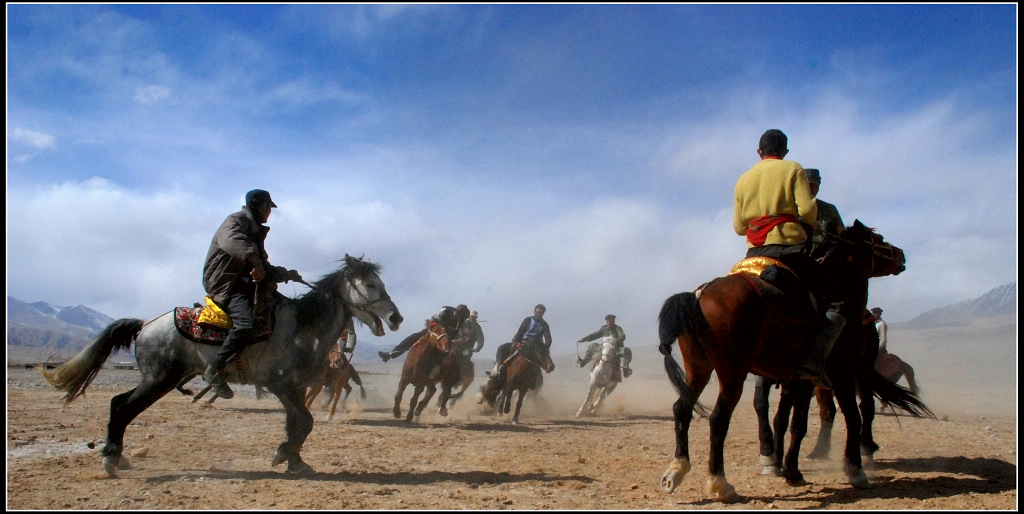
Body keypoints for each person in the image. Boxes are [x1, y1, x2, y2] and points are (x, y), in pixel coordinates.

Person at [732, 129, 845, 390]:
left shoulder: (743, 180)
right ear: (784, 152)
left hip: (753, 254)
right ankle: (813, 362)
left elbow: (739, 226)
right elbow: (806, 209)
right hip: (788, 251)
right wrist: (809, 222)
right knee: (836, 299)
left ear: (758, 151)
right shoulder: (793, 169)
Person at [202, 189, 303, 400]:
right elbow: (232, 241)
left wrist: (285, 274)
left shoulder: (255, 230)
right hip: (227, 284)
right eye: (269, 208)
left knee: (287, 312)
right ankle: (214, 369)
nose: (270, 213)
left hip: (246, 284)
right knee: (246, 324)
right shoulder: (235, 221)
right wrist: (255, 261)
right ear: (261, 206)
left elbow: (263, 266)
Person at [378, 304, 469, 362]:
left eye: (463, 317)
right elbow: (434, 319)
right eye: (459, 316)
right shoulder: (445, 311)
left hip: (449, 339)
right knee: (414, 337)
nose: (460, 318)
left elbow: (466, 336)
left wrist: (457, 341)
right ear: (456, 312)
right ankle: (390, 354)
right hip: (435, 331)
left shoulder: (463, 321)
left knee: (453, 357)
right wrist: (439, 328)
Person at [485, 304, 552, 381]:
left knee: (545, 359)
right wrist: (516, 342)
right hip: (523, 343)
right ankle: (496, 369)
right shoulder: (527, 320)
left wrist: (545, 348)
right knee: (501, 348)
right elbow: (520, 332)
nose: (539, 314)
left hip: (535, 347)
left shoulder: (544, 325)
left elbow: (548, 338)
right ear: (534, 312)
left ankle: (545, 371)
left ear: (543, 314)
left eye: (541, 313)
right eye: (537, 312)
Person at [804, 168, 846, 260]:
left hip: (824, 260)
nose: (812, 189)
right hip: (797, 258)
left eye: (815, 185)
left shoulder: (830, 209)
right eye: (809, 185)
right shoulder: (791, 209)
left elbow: (841, 237)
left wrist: (828, 256)